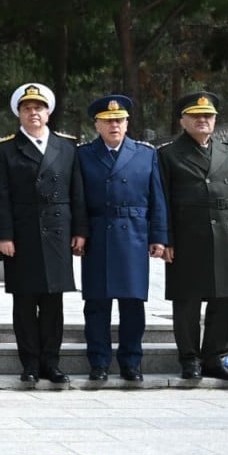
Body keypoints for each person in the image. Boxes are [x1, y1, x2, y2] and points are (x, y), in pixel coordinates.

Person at [0, 83, 86, 383]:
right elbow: (0, 196)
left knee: (53, 302)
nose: (34, 112)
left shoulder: (67, 146)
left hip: (57, 232)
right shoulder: (5, 149)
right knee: (24, 302)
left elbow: (77, 192)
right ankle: (30, 364)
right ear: (19, 113)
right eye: (27, 108)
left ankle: (51, 363)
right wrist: (4, 235)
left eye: (39, 107)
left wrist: (80, 230)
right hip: (23, 233)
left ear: (49, 112)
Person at [158, 91, 228, 381]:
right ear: (182, 120)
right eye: (196, 116)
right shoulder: (168, 155)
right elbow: (161, 200)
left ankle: (215, 357)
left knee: (224, 299)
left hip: (225, 236)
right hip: (188, 236)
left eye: (209, 116)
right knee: (187, 300)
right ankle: (189, 358)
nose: (203, 120)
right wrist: (166, 240)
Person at [74, 95, 168, 382]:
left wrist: (159, 236)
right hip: (99, 233)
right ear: (97, 125)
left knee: (132, 304)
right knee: (97, 304)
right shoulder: (83, 154)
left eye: (119, 120)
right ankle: (99, 362)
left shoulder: (145, 153)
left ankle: (131, 362)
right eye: (107, 121)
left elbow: (157, 199)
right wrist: (80, 232)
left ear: (127, 123)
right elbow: (77, 198)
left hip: (134, 234)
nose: (114, 125)